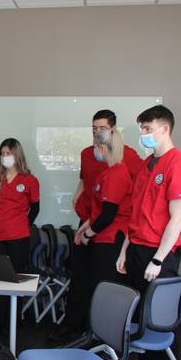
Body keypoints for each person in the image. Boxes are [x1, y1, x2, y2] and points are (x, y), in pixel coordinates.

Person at [117, 105, 181, 360]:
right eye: (142, 129)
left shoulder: (180, 166)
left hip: (159, 254)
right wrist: (125, 250)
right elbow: (135, 213)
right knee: (141, 313)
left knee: (160, 317)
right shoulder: (146, 166)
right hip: (138, 247)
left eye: (147, 129)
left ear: (164, 129)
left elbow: (176, 220)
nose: (143, 135)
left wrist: (158, 259)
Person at [51, 109, 144, 342]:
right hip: (91, 218)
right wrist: (79, 204)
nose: (97, 133)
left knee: (103, 279)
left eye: (101, 128)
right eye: (93, 129)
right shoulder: (88, 154)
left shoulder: (126, 159)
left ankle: (101, 334)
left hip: (110, 224)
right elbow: (85, 181)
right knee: (81, 275)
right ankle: (75, 327)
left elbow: (129, 196)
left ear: (112, 129)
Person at [74, 127, 133, 314]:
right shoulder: (109, 172)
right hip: (103, 238)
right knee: (97, 287)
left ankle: (104, 335)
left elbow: (108, 214)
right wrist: (84, 227)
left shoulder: (117, 174)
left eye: (95, 147)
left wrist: (88, 234)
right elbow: (99, 210)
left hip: (110, 239)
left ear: (101, 148)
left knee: (105, 289)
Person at [0, 138, 39, 272]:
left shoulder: (29, 180)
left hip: (18, 236)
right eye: (2, 153)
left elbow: (35, 208)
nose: (4, 156)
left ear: (17, 155)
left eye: (8, 153)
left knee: (16, 274)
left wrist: (23, 224)